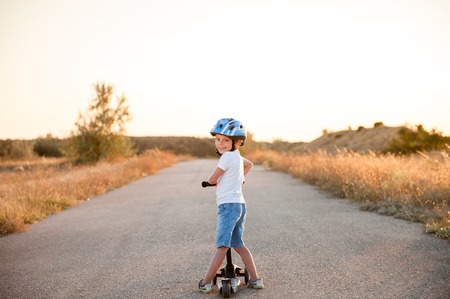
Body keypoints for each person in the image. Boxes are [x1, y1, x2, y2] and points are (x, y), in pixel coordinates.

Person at [198, 118, 264, 293]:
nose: (220, 143)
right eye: (218, 139)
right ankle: (256, 279)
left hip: (228, 206)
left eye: (226, 140)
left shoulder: (226, 157)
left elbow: (214, 177)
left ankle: (205, 282)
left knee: (222, 246)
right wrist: (240, 179)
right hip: (240, 205)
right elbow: (249, 165)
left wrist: (210, 182)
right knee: (238, 244)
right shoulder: (237, 156)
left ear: (238, 142)